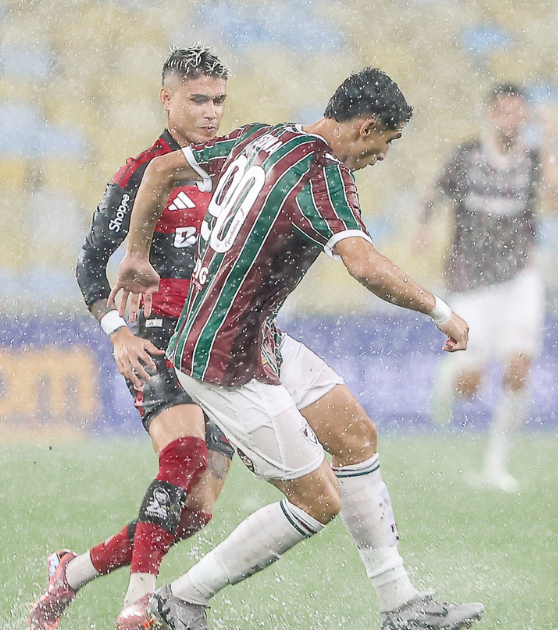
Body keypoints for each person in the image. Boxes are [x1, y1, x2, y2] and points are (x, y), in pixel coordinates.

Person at [109, 68, 485, 630]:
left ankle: (401, 605)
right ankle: (182, 599)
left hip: (253, 335)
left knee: (355, 435)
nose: (383, 154)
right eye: (388, 140)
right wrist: (440, 310)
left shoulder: (265, 136)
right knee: (319, 502)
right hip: (222, 362)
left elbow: (161, 169)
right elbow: (362, 265)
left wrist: (135, 255)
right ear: (366, 127)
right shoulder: (321, 173)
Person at [30, 46, 236, 630]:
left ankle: (70, 573)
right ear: (167, 98)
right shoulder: (141, 171)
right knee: (184, 454)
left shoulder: (228, 166)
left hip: (218, 343)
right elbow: (89, 264)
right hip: (157, 334)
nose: (211, 112)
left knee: (196, 511)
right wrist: (117, 333)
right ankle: (137, 607)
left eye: (219, 100)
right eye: (198, 99)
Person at [417, 83, 558, 493]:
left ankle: (496, 466)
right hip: (470, 280)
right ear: (489, 115)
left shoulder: (534, 158)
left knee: (519, 365)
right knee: (470, 386)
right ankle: (450, 378)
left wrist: (550, 140)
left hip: (519, 275)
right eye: (503, 111)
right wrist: (422, 229)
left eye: (518, 112)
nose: (511, 119)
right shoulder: (466, 157)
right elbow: (433, 195)